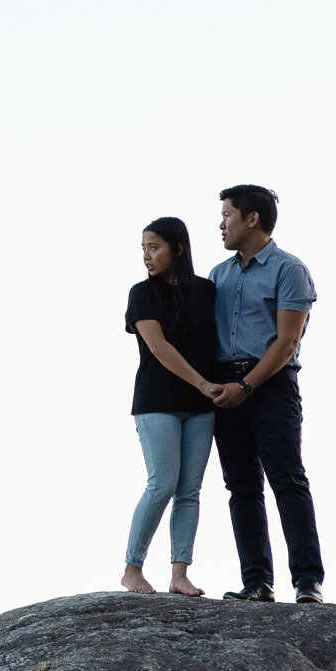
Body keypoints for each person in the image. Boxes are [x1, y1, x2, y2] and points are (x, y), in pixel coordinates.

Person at [207, 184, 323, 603]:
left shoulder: (288, 269)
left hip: (271, 386)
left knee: (287, 480)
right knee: (241, 487)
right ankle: (257, 582)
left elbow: (287, 341)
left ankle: (308, 581)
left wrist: (247, 385)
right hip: (225, 385)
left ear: (251, 218)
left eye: (227, 215)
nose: (221, 224)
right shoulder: (218, 275)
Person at [121, 217, 225, 597]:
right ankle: (132, 568)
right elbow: (160, 348)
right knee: (162, 483)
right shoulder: (141, 294)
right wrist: (202, 383)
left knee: (190, 491)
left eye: (154, 248)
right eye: (144, 249)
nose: (147, 256)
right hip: (157, 402)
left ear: (178, 249)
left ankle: (179, 574)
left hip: (202, 406)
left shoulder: (207, 291)